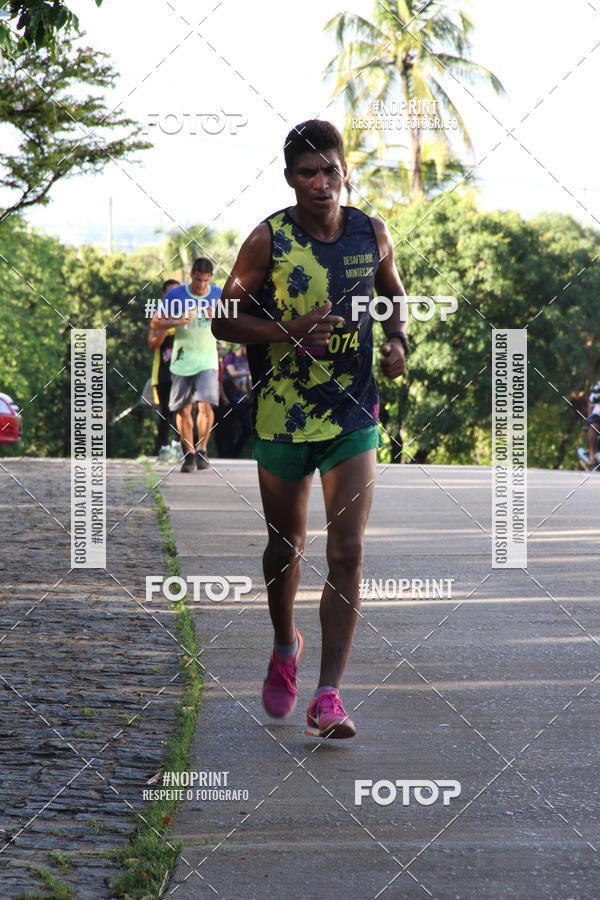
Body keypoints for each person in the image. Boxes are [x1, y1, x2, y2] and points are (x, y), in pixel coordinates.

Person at [212, 119, 408, 739]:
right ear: (291, 178)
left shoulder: (371, 233)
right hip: (283, 414)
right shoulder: (267, 240)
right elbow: (223, 321)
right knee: (285, 549)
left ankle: (329, 696)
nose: (322, 184)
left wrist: (398, 339)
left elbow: (394, 295)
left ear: (345, 170)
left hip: (353, 413)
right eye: (308, 174)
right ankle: (283, 644)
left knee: (347, 552)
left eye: (331, 171)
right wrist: (286, 332)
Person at [150, 258, 221, 472]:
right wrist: (178, 321)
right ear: (191, 275)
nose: (201, 285)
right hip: (181, 361)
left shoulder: (218, 294)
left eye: (206, 281)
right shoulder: (175, 295)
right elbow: (155, 322)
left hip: (208, 359)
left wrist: (216, 318)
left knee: (206, 405)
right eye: (198, 280)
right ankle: (189, 453)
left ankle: (202, 449)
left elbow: (233, 323)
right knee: (183, 409)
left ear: (210, 279)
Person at [148, 278, 179, 457]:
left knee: (181, 411)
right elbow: (152, 344)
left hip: (184, 372)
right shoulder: (158, 317)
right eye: (170, 293)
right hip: (161, 374)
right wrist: (166, 327)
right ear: (164, 295)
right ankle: (161, 447)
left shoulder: (187, 315)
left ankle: (178, 447)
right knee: (163, 413)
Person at [220, 343, 253, 458]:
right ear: (242, 346)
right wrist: (249, 372)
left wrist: (251, 393)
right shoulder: (230, 357)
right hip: (231, 399)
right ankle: (228, 454)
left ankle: (235, 452)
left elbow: (248, 381)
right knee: (229, 429)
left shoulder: (246, 360)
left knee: (249, 428)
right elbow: (232, 373)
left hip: (243, 400)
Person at [579, 381, 600, 470]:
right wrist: (589, 419)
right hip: (598, 416)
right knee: (594, 426)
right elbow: (591, 403)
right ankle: (591, 457)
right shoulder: (598, 386)